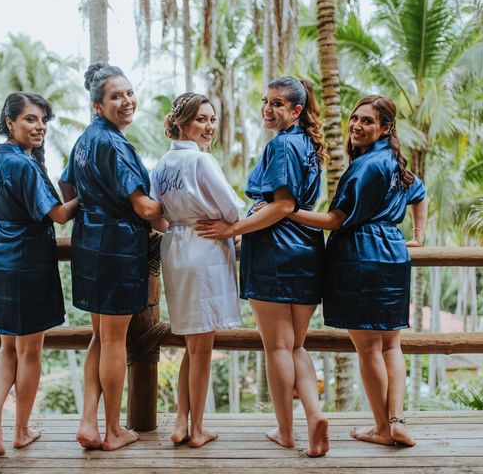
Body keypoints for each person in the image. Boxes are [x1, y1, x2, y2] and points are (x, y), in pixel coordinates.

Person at [279, 95, 427, 446]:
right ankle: (397, 419)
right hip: (392, 252)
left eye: (367, 121)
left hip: (361, 253)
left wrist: (284, 211)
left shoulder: (364, 167)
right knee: (392, 344)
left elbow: (334, 220)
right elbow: (419, 193)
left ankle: (382, 427)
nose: (357, 126)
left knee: (369, 349)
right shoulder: (393, 160)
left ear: (386, 128)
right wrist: (418, 237)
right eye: (354, 119)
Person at [196, 77, 330, 457]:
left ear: (297, 110)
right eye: (265, 101)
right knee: (296, 346)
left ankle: (287, 431)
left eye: (277, 104)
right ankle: (315, 413)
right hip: (305, 249)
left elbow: (283, 205)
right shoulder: (306, 143)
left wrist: (233, 228)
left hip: (275, 250)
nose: (267, 109)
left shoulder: (283, 145)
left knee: (276, 348)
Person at [0, 92, 78, 457]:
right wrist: (94, 194)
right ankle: (21, 430)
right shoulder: (25, 165)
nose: (39, 126)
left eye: (42, 120)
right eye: (30, 119)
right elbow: (58, 215)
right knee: (31, 352)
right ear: (10, 123)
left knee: (6, 347)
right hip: (28, 261)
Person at [59, 62, 163, 451]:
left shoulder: (85, 139)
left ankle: (88, 422)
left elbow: (66, 181)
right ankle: (113, 429)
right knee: (115, 341)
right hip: (118, 248)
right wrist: (182, 220)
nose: (126, 101)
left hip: (89, 244)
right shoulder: (115, 143)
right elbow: (144, 207)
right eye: (115, 97)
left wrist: (89, 209)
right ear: (97, 106)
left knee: (100, 338)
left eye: (129, 93)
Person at [150, 93, 244, 447]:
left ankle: (180, 422)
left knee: (191, 344)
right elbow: (232, 210)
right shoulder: (201, 162)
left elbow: (156, 214)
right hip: (204, 248)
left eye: (211, 119)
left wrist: (179, 222)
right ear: (182, 123)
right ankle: (197, 428)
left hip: (175, 247)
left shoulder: (161, 165)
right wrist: (229, 227)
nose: (208, 127)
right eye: (201, 119)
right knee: (201, 346)